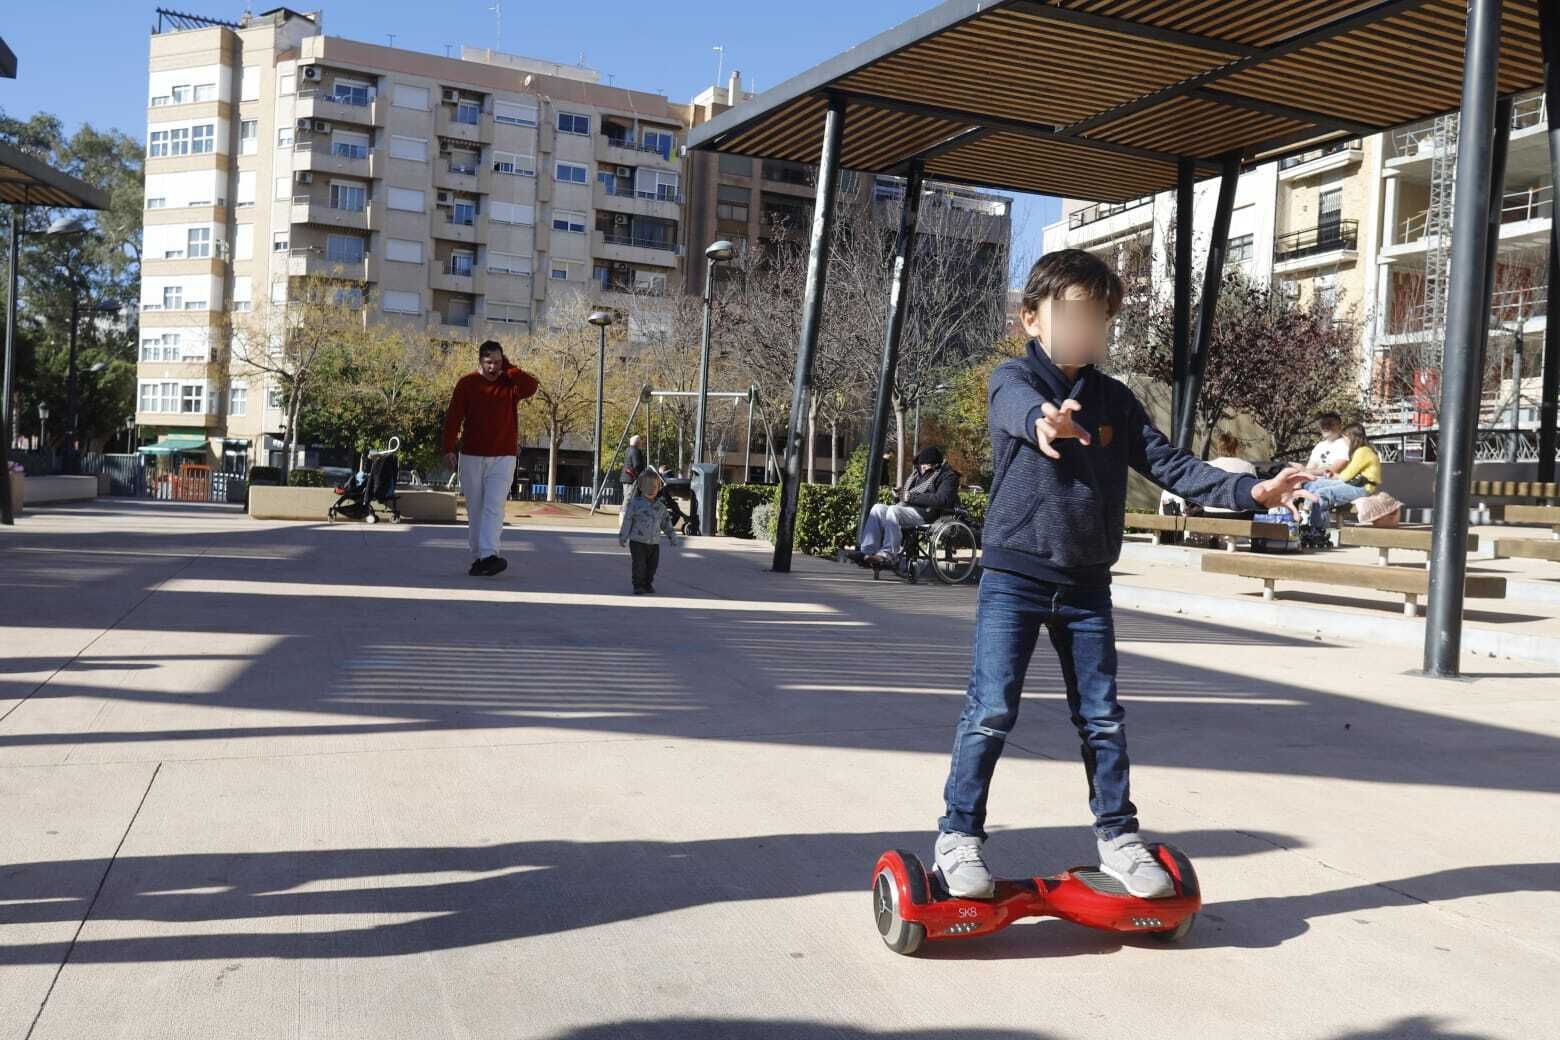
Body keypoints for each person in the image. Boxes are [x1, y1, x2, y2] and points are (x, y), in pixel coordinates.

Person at [934, 249, 1308, 901]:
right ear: (1032, 318)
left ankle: (1118, 837)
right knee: (991, 710)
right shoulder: (1010, 381)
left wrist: (1253, 492)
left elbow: (1174, 466)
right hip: (1014, 579)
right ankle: (959, 837)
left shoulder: (1115, 401)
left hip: (1085, 586)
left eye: (1099, 318)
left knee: (1102, 717)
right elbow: (1014, 406)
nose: (1087, 329)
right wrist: (1042, 421)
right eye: (1072, 314)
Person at [442, 341, 539, 577]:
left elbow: (531, 386)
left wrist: (508, 367)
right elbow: (453, 417)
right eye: (489, 362)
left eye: (497, 362)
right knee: (476, 508)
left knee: (494, 507)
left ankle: (489, 554)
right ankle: (479, 556)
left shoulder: (510, 383)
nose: (494, 367)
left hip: (504, 457)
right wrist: (448, 448)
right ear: (480, 361)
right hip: (472, 456)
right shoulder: (467, 383)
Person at [858, 446, 959, 561]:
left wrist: (911, 497)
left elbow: (942, 500)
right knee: (877, 508)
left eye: (925, 465)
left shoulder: (948, 476)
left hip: (928, 514)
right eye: (921, 465)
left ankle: (888, 554)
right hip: (908, 509)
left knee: (893, 511)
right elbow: (907, 496)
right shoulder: (916, 475)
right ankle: (867, 551)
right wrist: (899, 495)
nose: (922, 468)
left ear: (935, 464)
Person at [1297, 422, 1382, 534]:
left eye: (1345, 438)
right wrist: (1332, 476)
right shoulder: (1360, 451)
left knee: (1321, 494)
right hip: (1355, 483)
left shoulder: (1363, 452)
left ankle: (1318, 529)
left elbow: (1347, 475)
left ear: (1352, 438)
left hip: (1363, 487)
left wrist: (1334, 476)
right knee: (1316, 483)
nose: (1344, 441)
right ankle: (1308, 513)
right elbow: (1348, 475)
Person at [1159, 430, 1257, 518]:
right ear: (1236, 448)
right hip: (1241, 515)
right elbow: (1253, 495)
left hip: (1211, 514)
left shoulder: (1207, 465)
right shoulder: (1248, 466)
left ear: (1219, 448)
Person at [619, 468, 678, 594]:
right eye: (647, 486)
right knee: (639, 565)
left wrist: (672, 536)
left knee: (652, 566)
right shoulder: (635, 504)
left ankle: (647, 583)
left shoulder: (661, 507)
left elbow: (666, 523)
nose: (651, 489)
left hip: (654, 542)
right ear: (641, 487)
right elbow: (627, 520)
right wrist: (623, 536)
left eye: (654, 486)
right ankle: (638, 585)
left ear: (659, 487)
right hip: (637, 541)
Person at [1306, 412, 1351, 476]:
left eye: (1330, 424)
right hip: (1316, 481)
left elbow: (1334, 469)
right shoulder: (1319, 446)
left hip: (1335, 482)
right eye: (1322, 424)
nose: (1325, 427)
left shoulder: (1345, 443)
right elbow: (1309, 468)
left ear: (1340, 426)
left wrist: (1307, 471)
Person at [621, 435, 647, 509]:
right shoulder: (636, 451)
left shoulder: (627, 450)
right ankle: (624, 514)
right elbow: (637, 465)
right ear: (638, 443)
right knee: (629, 497)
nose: (641, 444)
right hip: (632, 478)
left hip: (626, 477)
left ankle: (626, 514)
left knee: (627, 496)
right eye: (640, 442)